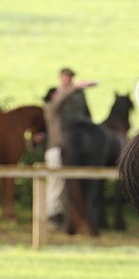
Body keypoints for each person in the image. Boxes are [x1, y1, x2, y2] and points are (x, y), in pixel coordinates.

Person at [43, 68, 95, 226]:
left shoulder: (60, 112)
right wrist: (75, 87)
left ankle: (59, 213)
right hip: (55, 148)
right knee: (55, 181)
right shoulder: (51, 108)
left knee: (61, 182)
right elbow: (61, 101)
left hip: (61, 148)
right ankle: (51, 213)